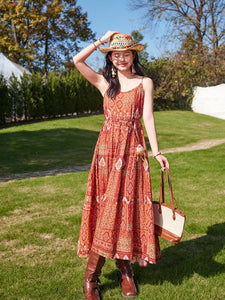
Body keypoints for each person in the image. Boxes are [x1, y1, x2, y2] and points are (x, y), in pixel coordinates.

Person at [73, 31, 169, 300]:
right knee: (107, 211)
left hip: (133, 150)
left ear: (134, 55)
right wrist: (101, 40)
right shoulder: (106, 83)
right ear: (111, 58)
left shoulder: (145, 82)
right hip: (106, 151)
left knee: (127, 211)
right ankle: (90, 279)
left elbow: (148, 116)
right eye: (116, 54)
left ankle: (125, 269)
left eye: (126, 53)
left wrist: (156, 151)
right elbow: (77, 61)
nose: (121, 58)